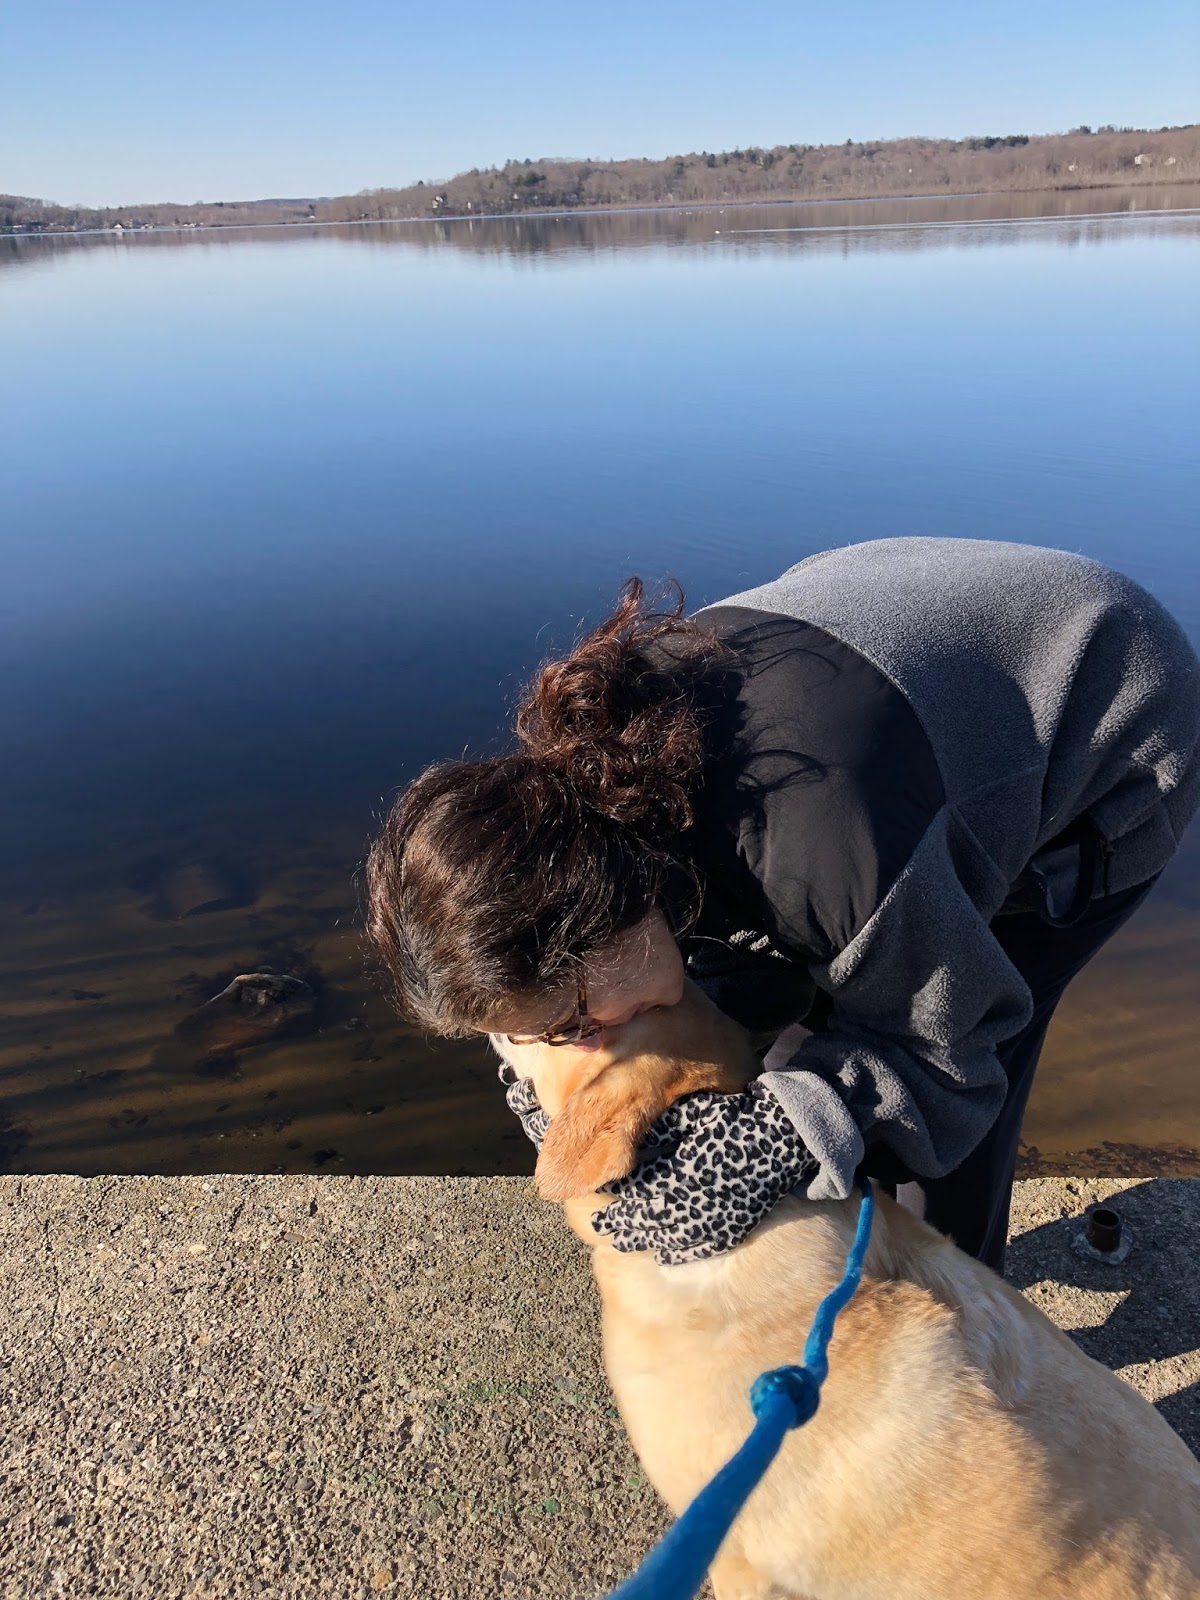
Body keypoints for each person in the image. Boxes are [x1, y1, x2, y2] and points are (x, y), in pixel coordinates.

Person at [365, 537, 1200, 1274]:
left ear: (607, 920)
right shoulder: (578, 812)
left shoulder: (828, 852)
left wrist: (780, 1138)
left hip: (1114, 707)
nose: (584, 1043)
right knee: (786, 1013)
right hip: (918, 619)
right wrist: (552, 1087)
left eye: (575, 1022)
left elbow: (953, 1054)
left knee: (955, 1066)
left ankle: (959, 1301)